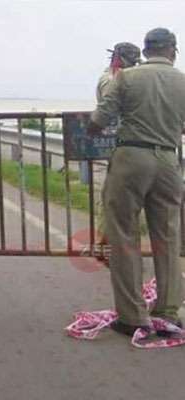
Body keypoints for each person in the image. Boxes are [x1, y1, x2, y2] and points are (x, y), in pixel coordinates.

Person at [87, 28, 185, 337]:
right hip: (169, 160)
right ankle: (169, 313)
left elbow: (99, 120)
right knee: (168, 236)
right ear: (173, 51)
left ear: (145, 51)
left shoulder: (127, 78)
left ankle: (132, 316)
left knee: (124, 235)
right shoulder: (183, 81)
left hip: (132, 157)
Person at [94, 42, 141, 261]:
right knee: (113, 200)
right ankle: (106, 246)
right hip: (120, 145)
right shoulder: (110, 80)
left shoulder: (122, 78)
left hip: (127, 145)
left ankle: (111, 246)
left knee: (118, 201)